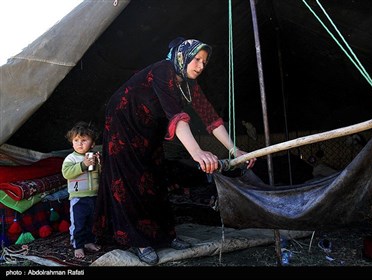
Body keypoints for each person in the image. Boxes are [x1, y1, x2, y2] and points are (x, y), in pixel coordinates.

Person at [93, 37, 256, 265]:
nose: (200, 66)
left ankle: (164, 236)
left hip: (149, 128)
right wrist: (197, 152)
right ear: (183, 56)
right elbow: (177, 117)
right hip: (124, 124)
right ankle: (139, 240)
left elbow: (210, 117)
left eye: (204, 62)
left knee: (155, 176)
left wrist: (234, 149)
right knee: (130, 180)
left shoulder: (188, 83)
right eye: (196, 59)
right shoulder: (163, 70)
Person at [62, 121, 101, 259]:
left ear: (93, 143)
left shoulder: (93, 157)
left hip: (94, 196)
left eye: (84, 140)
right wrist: (83, 165)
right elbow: (67, 173)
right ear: (72, 143)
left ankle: (89, 242)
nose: (80, 144)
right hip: (78, 198)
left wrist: (98, 163)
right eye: (76, 140)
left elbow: (99, 174)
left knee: (92, 221)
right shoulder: (70, 158)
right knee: (78, 223)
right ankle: (77, 246)